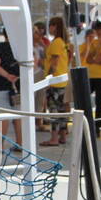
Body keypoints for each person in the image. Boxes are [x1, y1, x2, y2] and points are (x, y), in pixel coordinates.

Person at [0, 26, 22, 146]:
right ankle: (20, 143)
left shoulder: (0, 48)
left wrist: (7, 76)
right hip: (19, 87)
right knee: (19, 116)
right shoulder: (22, 48)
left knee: (2, 116)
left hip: (1, 86)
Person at [39, 16, 70, 146]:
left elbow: (55, 63)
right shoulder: (63, 42)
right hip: (63, 81)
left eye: (51, 25)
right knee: (62, 110)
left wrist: (48, 79)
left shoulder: (56, 42)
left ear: (55, 26)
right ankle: (62, 136)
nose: (49, 28)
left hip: (55, 82)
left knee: (54, 110)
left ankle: (54, 138)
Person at [79, 21, 101, 135]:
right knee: (85, 99)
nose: (98, 32)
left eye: (100, 30)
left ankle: (97, 127)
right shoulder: (92, 43)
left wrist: (97, 56)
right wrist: (97, 57)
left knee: (100, 101)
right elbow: (89, 59)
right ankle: (85, 124)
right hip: (90, 75)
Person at [32, 21, 48, 131]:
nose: (39, 35)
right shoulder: (27, 46)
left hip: (40, 73)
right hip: (31, 74)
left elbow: (46, 58)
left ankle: (39, 122)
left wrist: (43, 45)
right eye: (37, 33)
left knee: (40, 98)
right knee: (32, 98)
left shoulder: (41, 46)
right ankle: (31, 121)